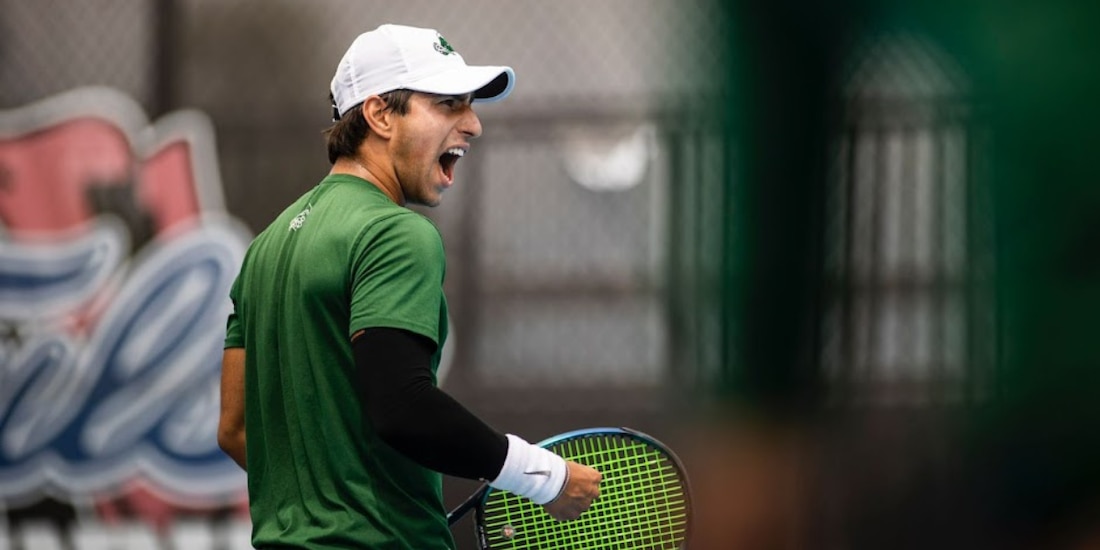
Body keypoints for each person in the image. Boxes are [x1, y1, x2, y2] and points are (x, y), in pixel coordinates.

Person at [217, 23, 601, 549]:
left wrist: (329, 495)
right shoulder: (395, 233)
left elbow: (235, 429)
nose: (473, 125)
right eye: (448, 104)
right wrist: (545, 477)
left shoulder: (264, 249)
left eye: (469, 106)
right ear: (379, 115)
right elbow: (403, 406)